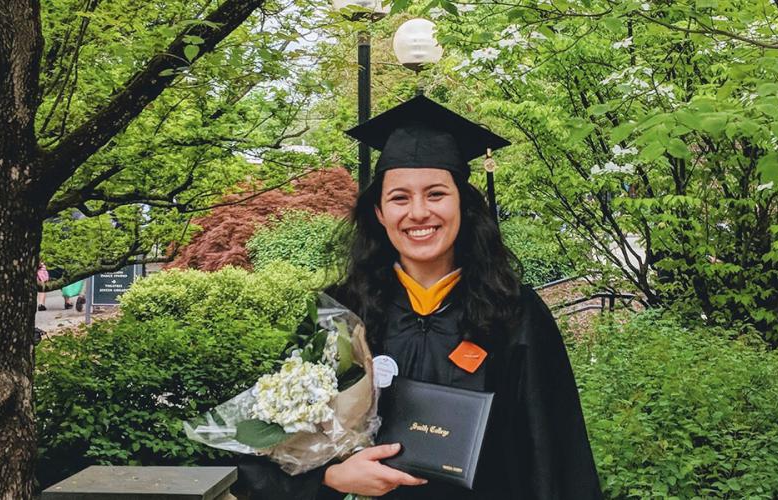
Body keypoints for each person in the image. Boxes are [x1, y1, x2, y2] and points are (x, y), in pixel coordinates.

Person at [235, 95, 601, 499]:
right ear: (379, 212)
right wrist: (331, 477)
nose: (419, 212)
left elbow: (557, 456)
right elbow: (262, 447)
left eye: (436, 194)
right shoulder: (341, 315)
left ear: (463, 204)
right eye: (400, 197)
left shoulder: (515, 313)